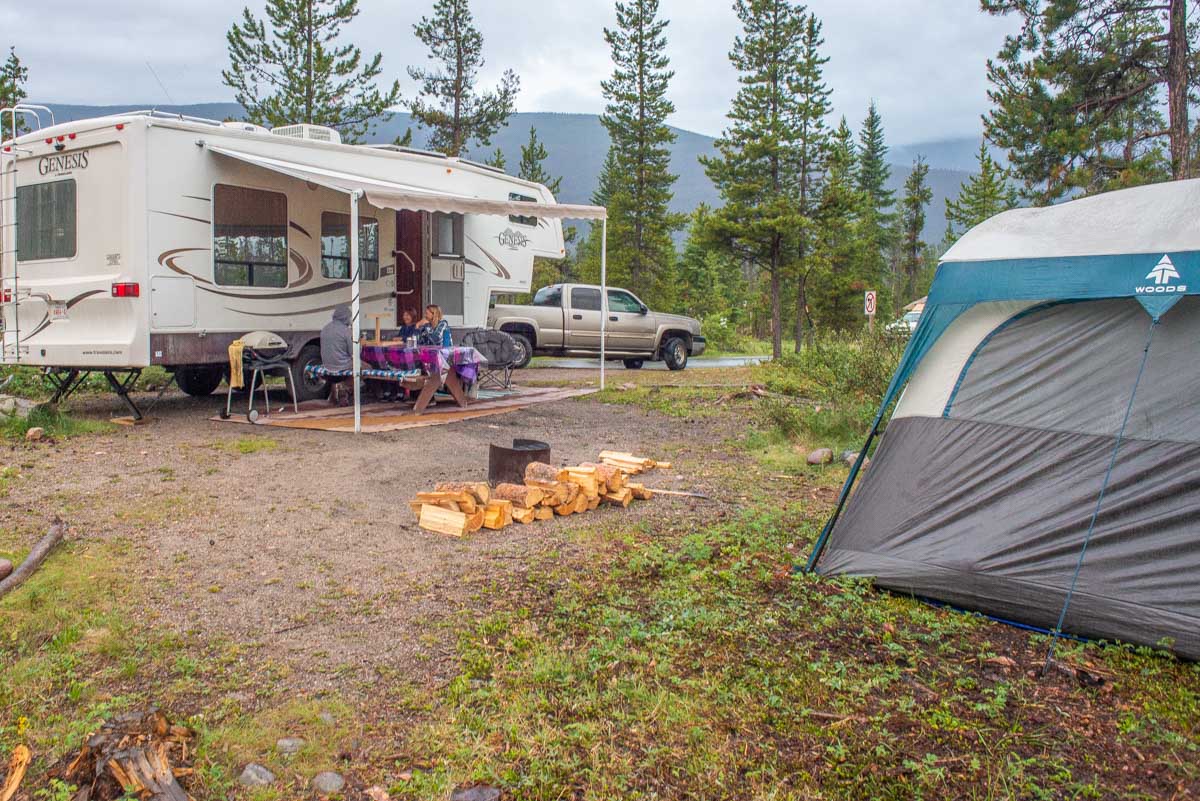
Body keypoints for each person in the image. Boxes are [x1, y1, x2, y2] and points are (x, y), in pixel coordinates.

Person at [320, 305, 353, 404]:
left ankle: (334, 391)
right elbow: (353, 352)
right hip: (342, 367)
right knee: (365, 368)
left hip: (326, 365)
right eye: (349, 317)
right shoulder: (346, 331)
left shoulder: (325, 328)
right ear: (345, 317)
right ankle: (345, 387)